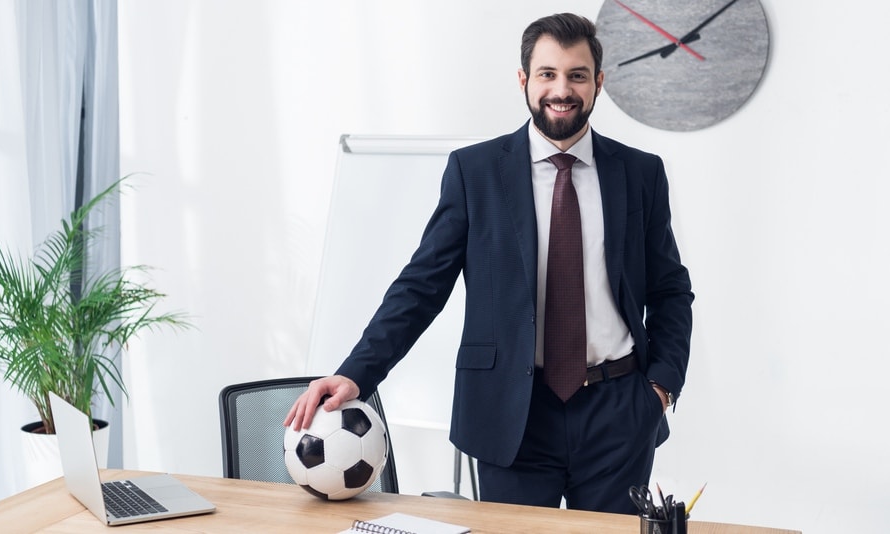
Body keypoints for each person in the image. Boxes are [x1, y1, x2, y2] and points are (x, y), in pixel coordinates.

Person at [284, 12, 693, 514]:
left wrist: (660, 388)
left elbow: (670, 289)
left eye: (576, 75)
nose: (560, 89)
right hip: (511, 413)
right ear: (524, 80)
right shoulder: (474, 172)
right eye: (547, 74)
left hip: (619, 411)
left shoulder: (640, 173)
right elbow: (422, 286)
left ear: (598, 83)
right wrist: (357, 374)